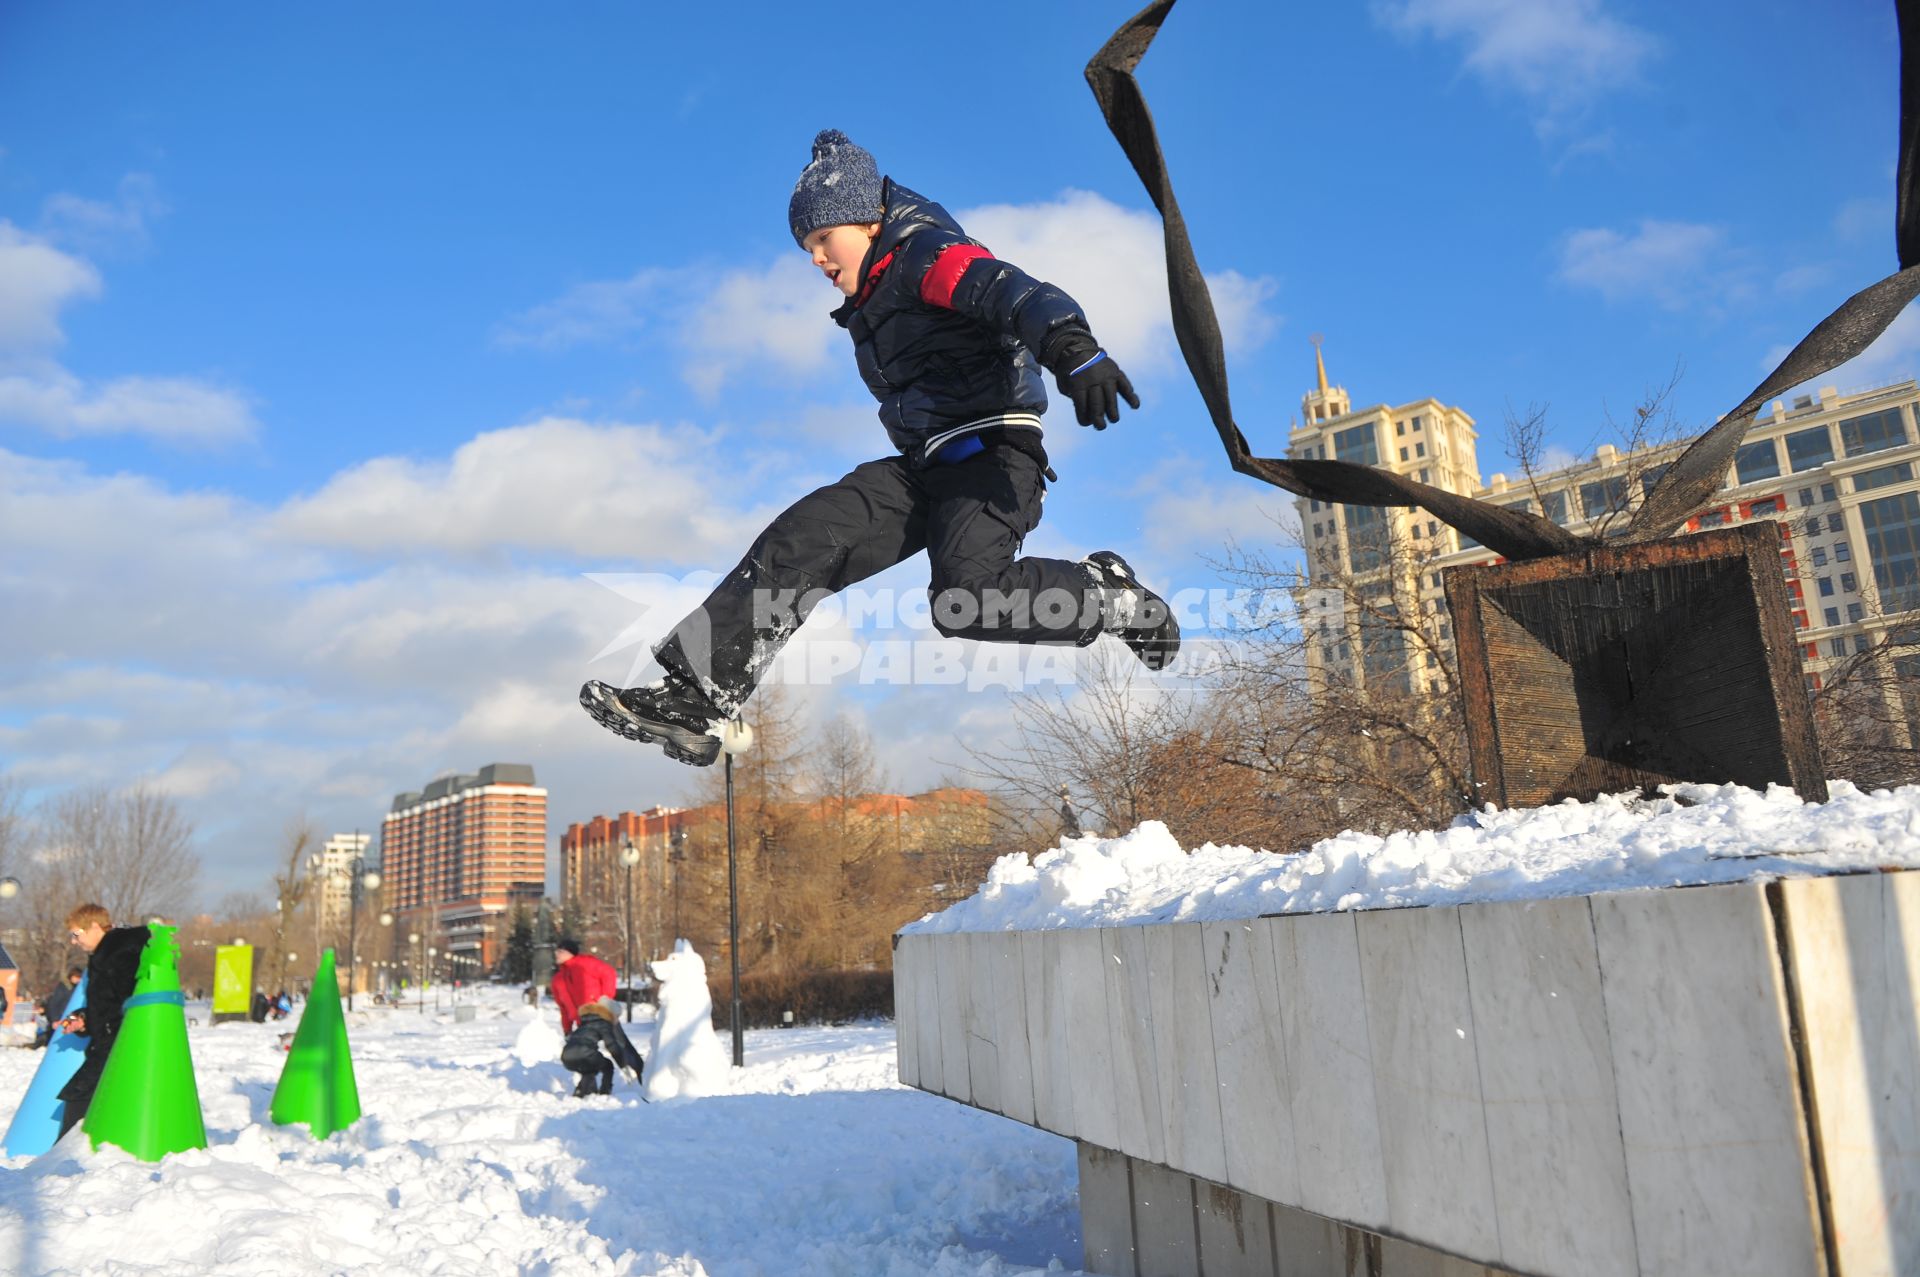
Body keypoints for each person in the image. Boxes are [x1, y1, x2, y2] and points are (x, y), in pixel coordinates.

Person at [581, 129, 1180, 766]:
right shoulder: (872, 299)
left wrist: (1073, 349)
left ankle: (1108, 595)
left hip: (993, 454)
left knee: (966, 599)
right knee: (803, 538)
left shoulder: (929, 258)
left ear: (867, 224)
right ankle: (699, 697)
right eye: (805, 246)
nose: (815, 259)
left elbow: (1015, 292)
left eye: (821, 239)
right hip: (926, 465)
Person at [54, 904, 151, 1135]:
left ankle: (65, 1160)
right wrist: (84, 1019)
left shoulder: (121, 953)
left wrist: (111, 1028)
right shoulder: (104, 956)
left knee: (79, 1096)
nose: (74, 941)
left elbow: (130, 1000)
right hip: (108, 1042)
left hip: (118, 1045)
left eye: (76, 934)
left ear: (95, 926)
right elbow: (108, 1004)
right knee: (83, 1097)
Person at [559, 996, 645, 1098]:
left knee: (589, 1067)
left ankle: (582, 1090)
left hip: (566, 1056)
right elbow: (611, 1045)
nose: (617, 1020)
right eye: (617, 1016)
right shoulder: (603, 1023)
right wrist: (623, 1064)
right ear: (610, 1014)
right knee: (607, 1065)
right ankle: (604, 1092)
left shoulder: (586, 1020)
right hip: (584, 1053)